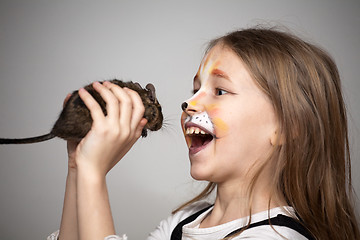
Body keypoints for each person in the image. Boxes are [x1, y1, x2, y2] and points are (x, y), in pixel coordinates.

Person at [48, 27, 360, 240]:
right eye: (195, 90)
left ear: (288, 127)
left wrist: (93, 175)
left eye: (220, 91)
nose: (189, 103)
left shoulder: (276, 237)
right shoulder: (183, 223)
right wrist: (78, 167)